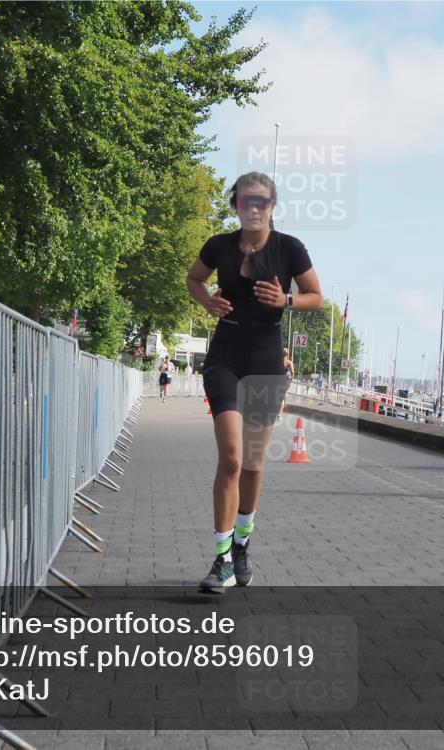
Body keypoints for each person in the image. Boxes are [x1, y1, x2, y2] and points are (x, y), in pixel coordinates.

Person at [186, 171, 322, 592]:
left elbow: (316, 297)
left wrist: (285, 300)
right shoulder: (219, 246)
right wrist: (207, 299)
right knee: (230, 457)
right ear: (236, 206)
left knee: (253, 463)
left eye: (262, 201)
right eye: (247, 201)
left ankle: (243, 543)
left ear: (273, 207)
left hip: (266, 359)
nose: (255, 208)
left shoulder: (290, 248)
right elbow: (194, 278)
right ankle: (222, 559)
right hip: (225, 355)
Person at [276, 348, 295, 421]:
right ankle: (279, 414)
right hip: (284, 380)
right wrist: (291, 380)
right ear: (288, 354)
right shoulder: (289, 362)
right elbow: (292, 372)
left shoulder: (278, 361)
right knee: (282, 398)